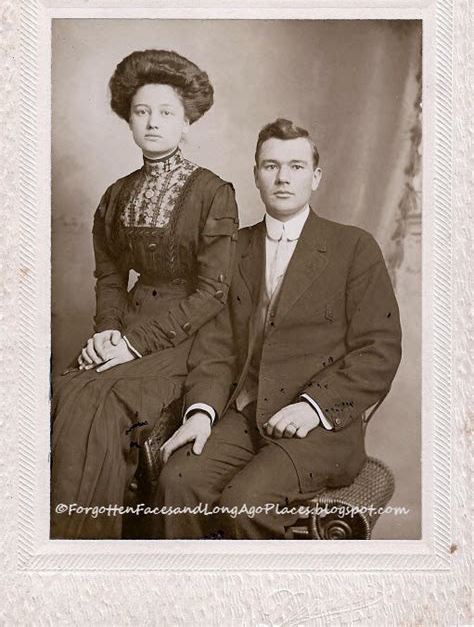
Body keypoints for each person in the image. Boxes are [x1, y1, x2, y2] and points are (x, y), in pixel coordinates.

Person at [155, 118, 402, 539]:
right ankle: (191, 601)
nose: (283, 177)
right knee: (176, 484)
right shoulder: (235, 249)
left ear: (316, 176)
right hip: (243, 417)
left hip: (319, 429)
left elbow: (379, 350)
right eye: (270, 166)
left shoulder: (354, 247)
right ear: (255, 175)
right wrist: (200, 413)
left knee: (241, 506)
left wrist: (314, 406)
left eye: (296, 166)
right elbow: (217, 349)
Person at [50, 49, 238, 539]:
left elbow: (213, 292)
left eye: (166, 112)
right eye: (142, 111)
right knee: (70, 386)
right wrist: (108, 330)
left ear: (186, 123)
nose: (153, 123)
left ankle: (95, 549)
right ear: (129, 120)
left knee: (104, 394)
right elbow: (110, 277)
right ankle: (64, 549)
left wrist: (133, 344)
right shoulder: (115, 195)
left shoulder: (213, 193)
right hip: (128, 324)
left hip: (186, 334)